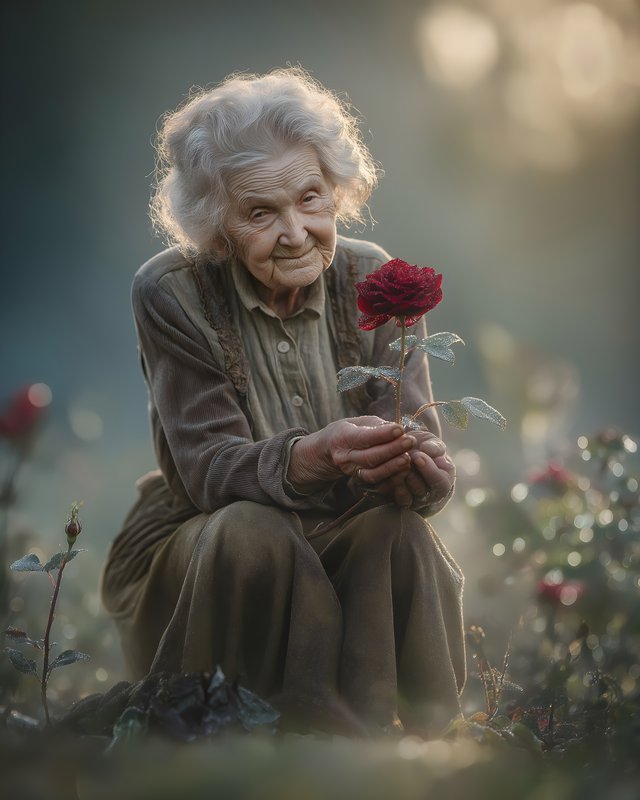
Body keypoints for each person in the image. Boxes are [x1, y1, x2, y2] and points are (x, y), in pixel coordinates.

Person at [101, 67, 465, 737]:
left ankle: (401, 745)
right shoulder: (171, 291)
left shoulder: (375, 279)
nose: (296, 232)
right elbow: (208, 469)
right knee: (254, 530)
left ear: (337, 193)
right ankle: (227, 739)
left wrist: (425, 476)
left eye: (310, 198)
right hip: (207, 544)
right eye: (261, 213)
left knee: (400, 530)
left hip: (343, 531)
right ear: (218, 226)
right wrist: (308, 458)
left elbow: (411, 437)